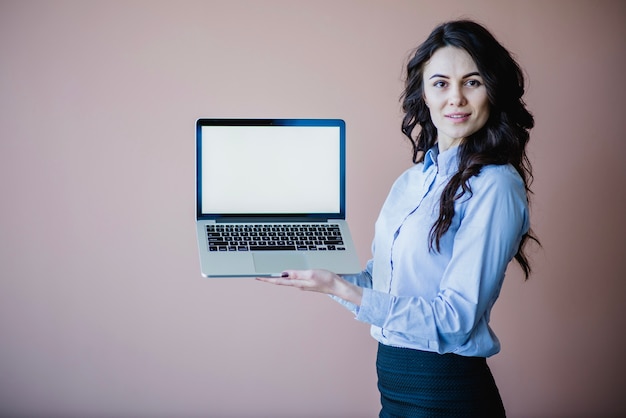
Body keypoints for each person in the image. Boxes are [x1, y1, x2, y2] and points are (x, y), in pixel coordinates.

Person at [258, 19, 537, 417]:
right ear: (423, 94)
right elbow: (383, 284)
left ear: (492, 90)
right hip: (393, 383)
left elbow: (454, 319)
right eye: (440, 83)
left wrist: (343, 290)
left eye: (471, 82)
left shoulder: (496, 186)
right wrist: (316, 275)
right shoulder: (411, 182)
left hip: (445, 392)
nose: (455, 98)